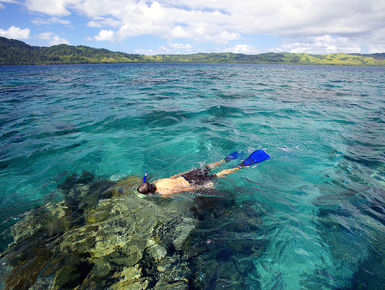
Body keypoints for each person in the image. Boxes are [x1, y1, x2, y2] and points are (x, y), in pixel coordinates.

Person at [137, 149, 270, 197]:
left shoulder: (164, 191)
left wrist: (201, 187)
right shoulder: (158, 181)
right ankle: (224, 160)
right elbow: (174, 176)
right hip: (187, 175)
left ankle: (240, 166)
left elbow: (186, 190)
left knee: (217, 175)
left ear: (149, 192)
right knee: (208, 167)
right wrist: (187, 172)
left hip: (192, 182)